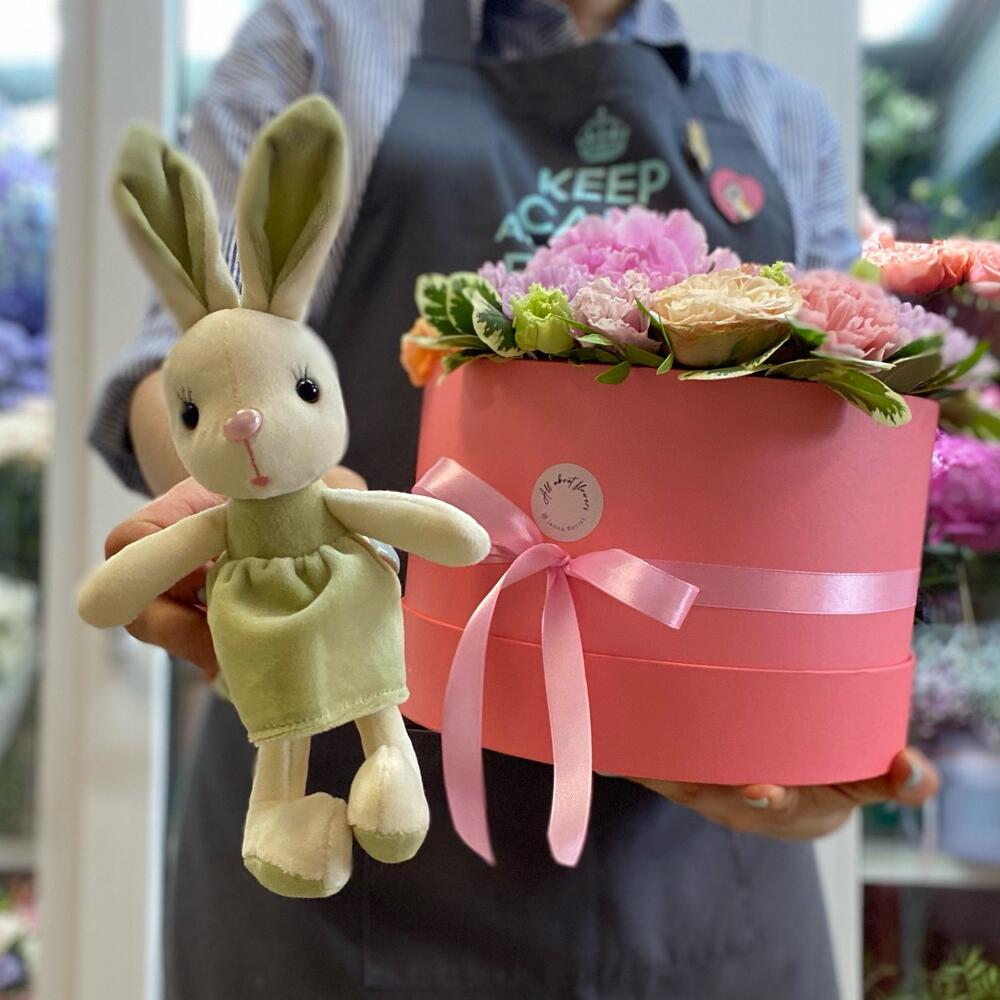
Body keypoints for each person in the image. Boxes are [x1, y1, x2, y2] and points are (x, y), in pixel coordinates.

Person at [90, 2, 940, 997]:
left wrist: (816, 747)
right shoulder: (323, 37)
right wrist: (254, 493)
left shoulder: (779, 116)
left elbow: (851, 439)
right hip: (348, 820)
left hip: (698, 873)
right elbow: (191, 353)